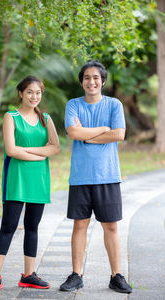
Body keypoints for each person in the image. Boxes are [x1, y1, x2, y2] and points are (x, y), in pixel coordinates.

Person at [0, 75, 60, 293]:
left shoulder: (46, 118)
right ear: (21, 93)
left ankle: (29, 275)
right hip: (16, 177)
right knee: (8, 226)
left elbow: (55, 148)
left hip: (39, 179)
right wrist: (38, 155)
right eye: (30, 92)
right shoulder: (11, 117)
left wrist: (27, 151)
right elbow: (11, 150)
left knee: (32, 227)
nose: (35, 96)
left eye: (38, 93)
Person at [60, 61, 132, 294]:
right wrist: (103, 129)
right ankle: (76, 274)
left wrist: (87, 136)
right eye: (87, 78)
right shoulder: (73, 104)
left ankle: (116, 275)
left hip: (107, 175)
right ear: (82, 82)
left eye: (96, 78)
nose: (91, 82)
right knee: (79, 225)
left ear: (103, 81)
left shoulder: (114, 104)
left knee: (110, 226)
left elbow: (119, 134)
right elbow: (73, 132)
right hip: (80, 176)